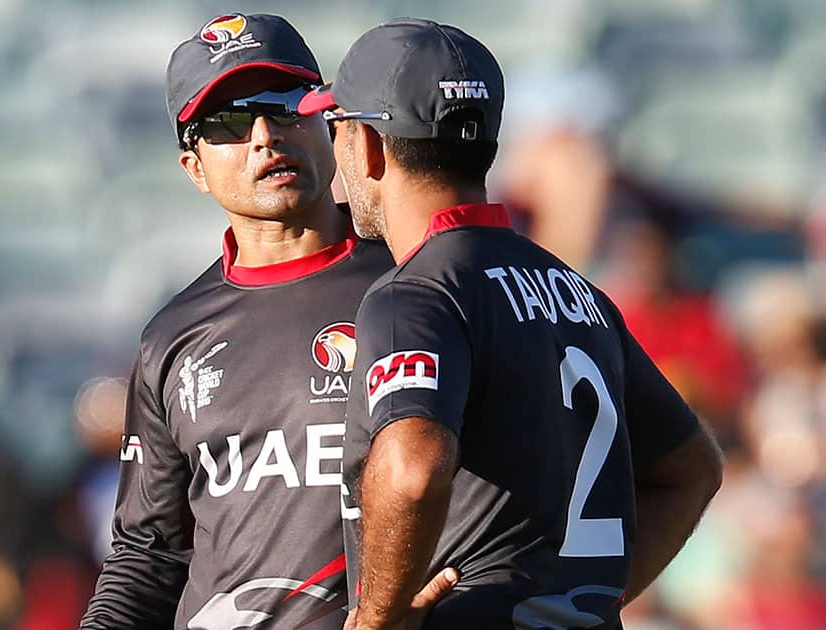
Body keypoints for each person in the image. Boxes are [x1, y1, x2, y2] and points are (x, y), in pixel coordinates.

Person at [299, 18, 724, 629]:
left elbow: (414, 467)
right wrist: (574, 607)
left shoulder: (416, 294)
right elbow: (693, 471)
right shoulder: (580, 292)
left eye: (336, 126)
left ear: (366, 144)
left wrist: (375, 622)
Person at [80, 13, 454, 629]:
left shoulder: (420, 284)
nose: (262, 136)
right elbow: (147, 557)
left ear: (330, 123)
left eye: (283, 106)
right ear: (194, 167)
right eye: (226, 121)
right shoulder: (172, 338)